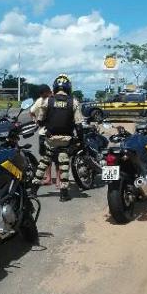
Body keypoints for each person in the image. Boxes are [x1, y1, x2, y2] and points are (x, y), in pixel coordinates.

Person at [31, 74, 83, 202]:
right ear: (68, 87)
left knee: (43, 163)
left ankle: (33, 191)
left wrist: (47, 126)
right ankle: (64, 194)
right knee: (64, 164)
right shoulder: (74, 102)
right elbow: (79, 125)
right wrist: (80, 140)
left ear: (54, 87)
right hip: (66, 140)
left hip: (50, 139)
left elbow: (40, 121)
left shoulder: (48, 101)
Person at [29, 85, 54, 185]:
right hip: (53, 132)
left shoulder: (40, 100)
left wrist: (36, 122)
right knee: (56, 157)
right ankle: (58, 181)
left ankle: (49, 178)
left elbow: (31, 112)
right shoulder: (55, 99)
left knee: (46, 157)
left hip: (44, 132)